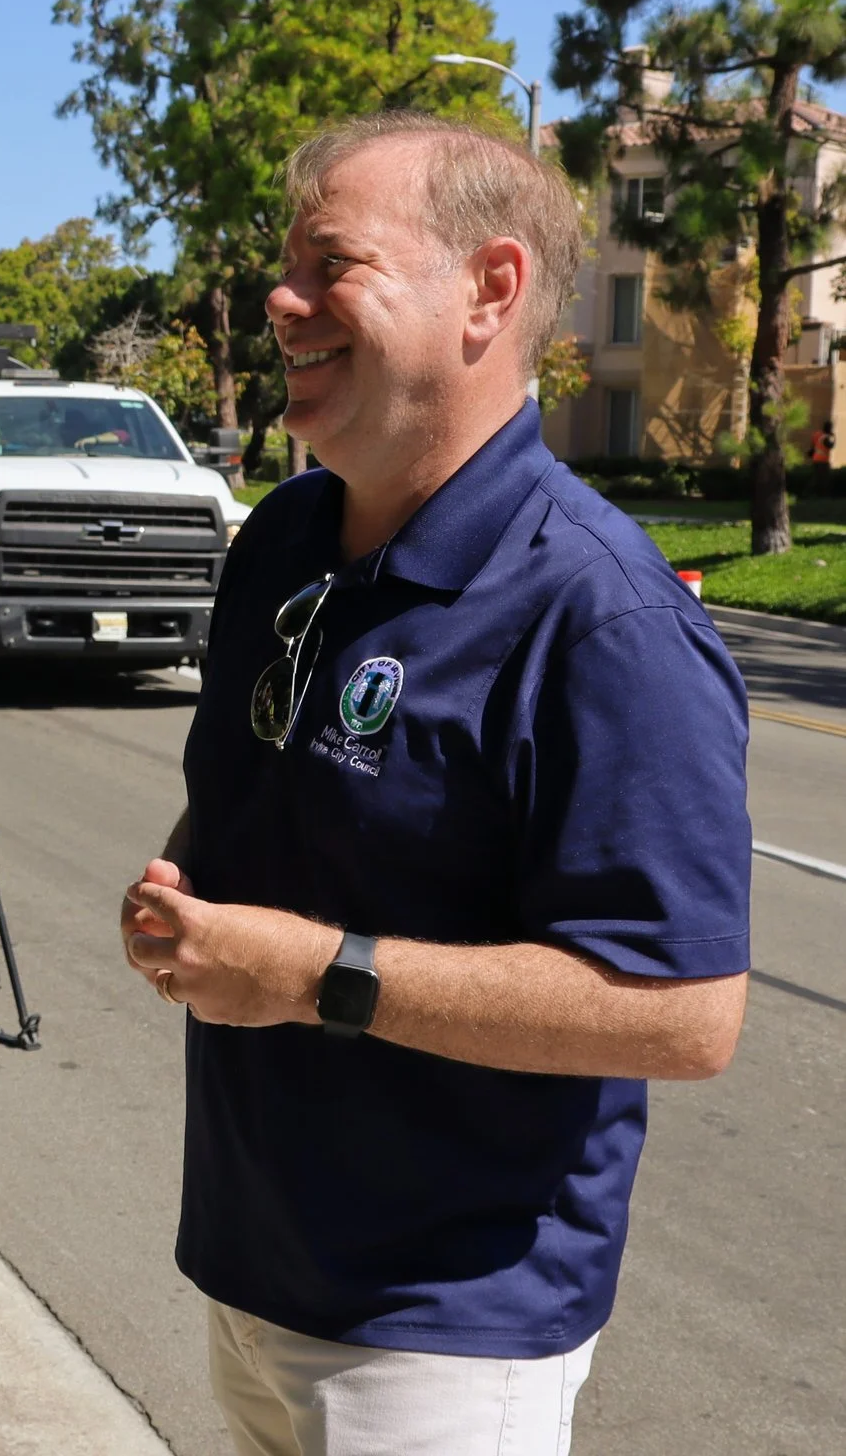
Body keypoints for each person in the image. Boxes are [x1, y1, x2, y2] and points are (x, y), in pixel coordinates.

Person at [120, 112, 751, 1455]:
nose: (278, 300)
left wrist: (309, 974)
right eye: (282, 265)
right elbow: (255, 788)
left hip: (444, 1335)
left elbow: (685, 1012)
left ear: (491, 289)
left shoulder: (600, 615)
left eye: (330, 263)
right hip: (251, 1267)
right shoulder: (284, 538)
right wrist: (191, 888)